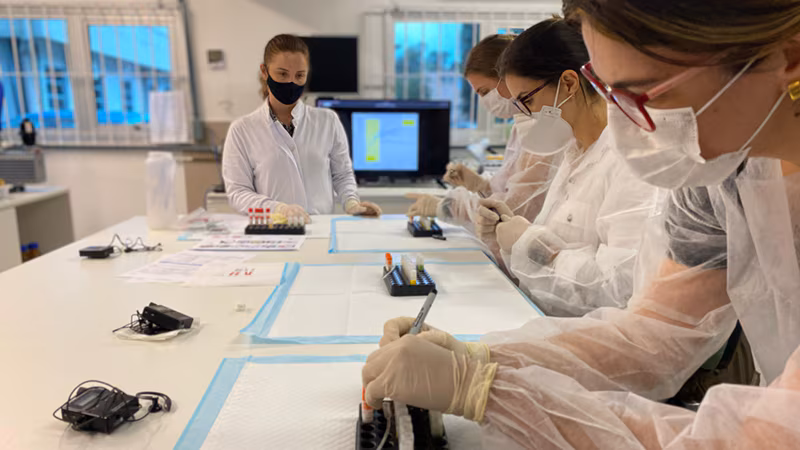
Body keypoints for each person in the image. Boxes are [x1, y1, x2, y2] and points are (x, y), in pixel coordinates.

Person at [363, 1, 800, 448]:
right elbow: (652, 338)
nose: (627, 125)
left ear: (788, 57)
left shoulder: (713, 157)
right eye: (611, 91)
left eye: (648, 92)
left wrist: (488, 393)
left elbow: (768, 436)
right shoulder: (719, 176)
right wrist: (483, 361)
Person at [473, 19, 659, 317]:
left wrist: (528, 243)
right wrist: (508, 232)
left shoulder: (631, 161)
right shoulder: (574, 152)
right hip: (549, 319)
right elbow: (557, 254)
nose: (526, 116)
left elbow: (619, 288)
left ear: (569, 83)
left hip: (593, 342)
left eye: (527, 100)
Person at [406, 34, 561, 238]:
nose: (485, 100)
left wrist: (448, 206)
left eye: (485, 91)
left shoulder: (546, 130)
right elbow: (509, 189)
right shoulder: (521, 125)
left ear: (508, 77)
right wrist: (481, 185)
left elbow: (515, 210)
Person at [222, 34, 381, 222]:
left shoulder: (327, 121)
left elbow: (342, 175)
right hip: (275, 231)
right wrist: (278, 209)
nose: (291, 82)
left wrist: (352, 204)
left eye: (299, 75)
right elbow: (238, 192)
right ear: (265, 72)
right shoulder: (242, 130)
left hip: (321, 230)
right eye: (282, 74)